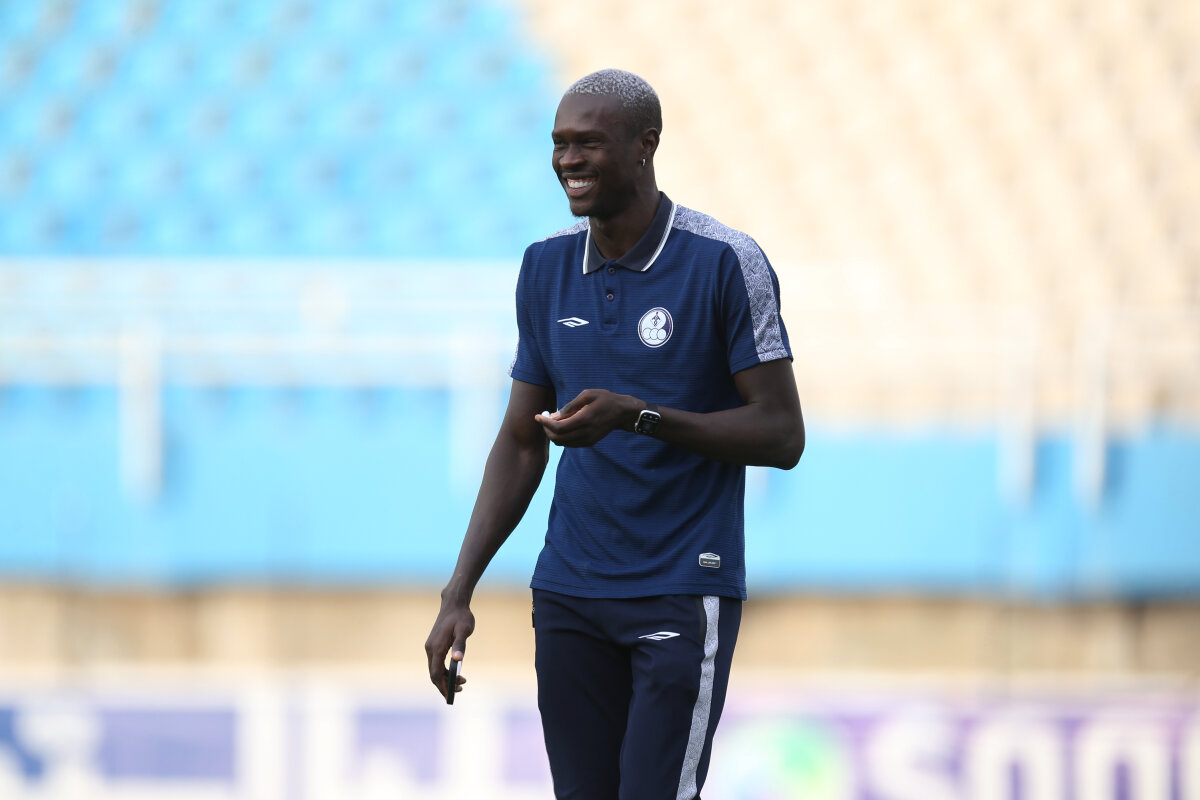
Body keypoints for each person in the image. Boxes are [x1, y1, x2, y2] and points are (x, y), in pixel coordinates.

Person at [424, 68, 804, 800]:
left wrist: (638, 416)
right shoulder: (544, 267)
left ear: (644, 146)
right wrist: (458, 590)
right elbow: (521, 440)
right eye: (559, 143)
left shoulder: (724, 261)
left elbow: (782, 434)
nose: (569, 160)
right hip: (569, 593)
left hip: (680, 588)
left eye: (589, 143)